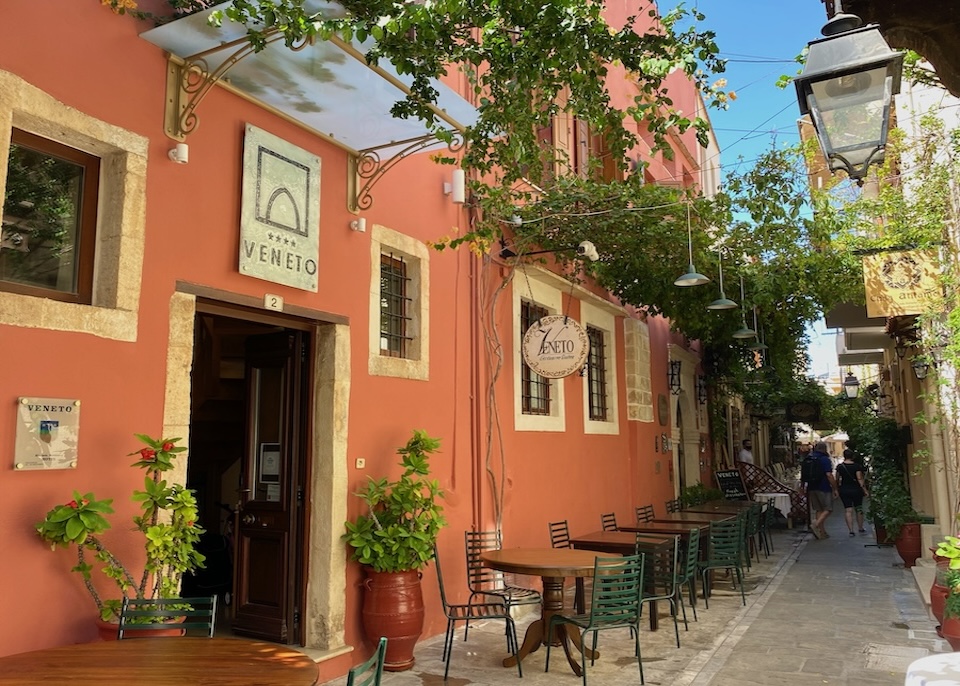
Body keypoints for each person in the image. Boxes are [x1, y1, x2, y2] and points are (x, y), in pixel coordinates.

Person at [804, 441, 839, 539]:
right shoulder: (824, 459)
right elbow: (829, 475)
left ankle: (821, 532)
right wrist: (835, 488)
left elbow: (804, 473)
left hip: (812, 487)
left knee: (819, 509)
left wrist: (803, 486)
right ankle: (815, 525)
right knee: (828, 509)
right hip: (823, 487)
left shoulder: (809, 457)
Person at [836, 448, 869, 536]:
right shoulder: (856, 466)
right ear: (852, 456)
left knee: (848, 510)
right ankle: (860, 527)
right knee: (858, 508)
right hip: (856, 490)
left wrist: (836, 489)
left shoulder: (840, 467)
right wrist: (865, 490)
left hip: (844, 490)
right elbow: (859, 479)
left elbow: (837, 479)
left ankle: (851, 530)